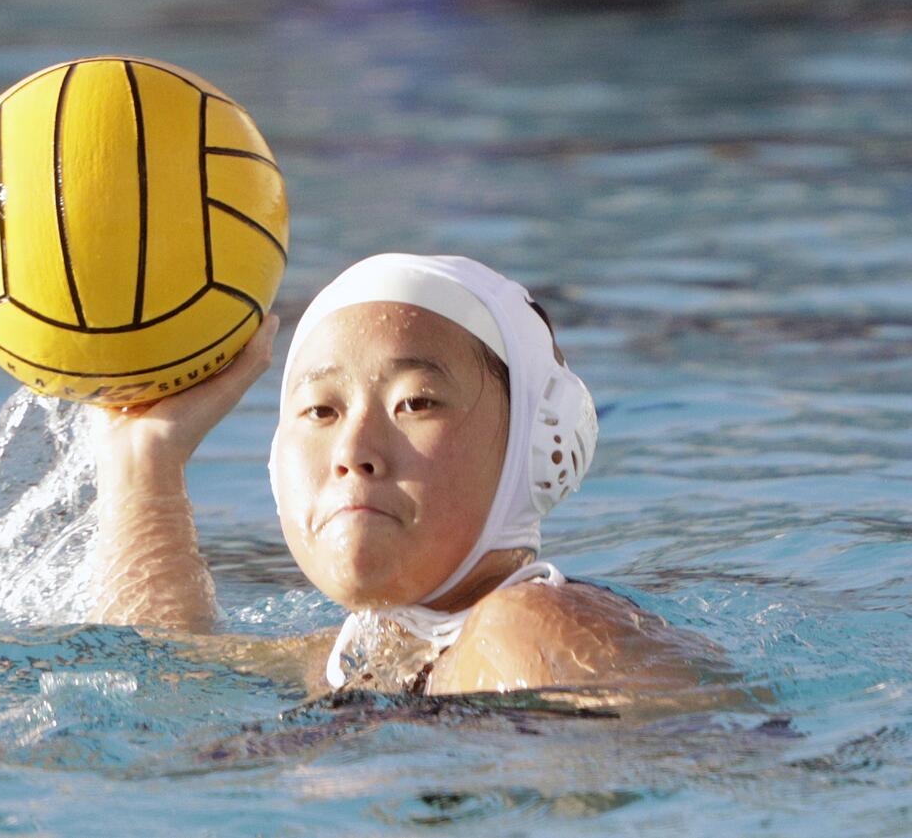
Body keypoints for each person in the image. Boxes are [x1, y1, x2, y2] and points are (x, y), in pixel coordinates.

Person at [87, 253, 728, 705]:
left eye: (416, 403)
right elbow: (162, 673)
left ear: (536, 441)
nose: (354, 451)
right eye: (320, 411)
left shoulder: (531, 630)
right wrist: (145, 459)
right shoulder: (359, 660)